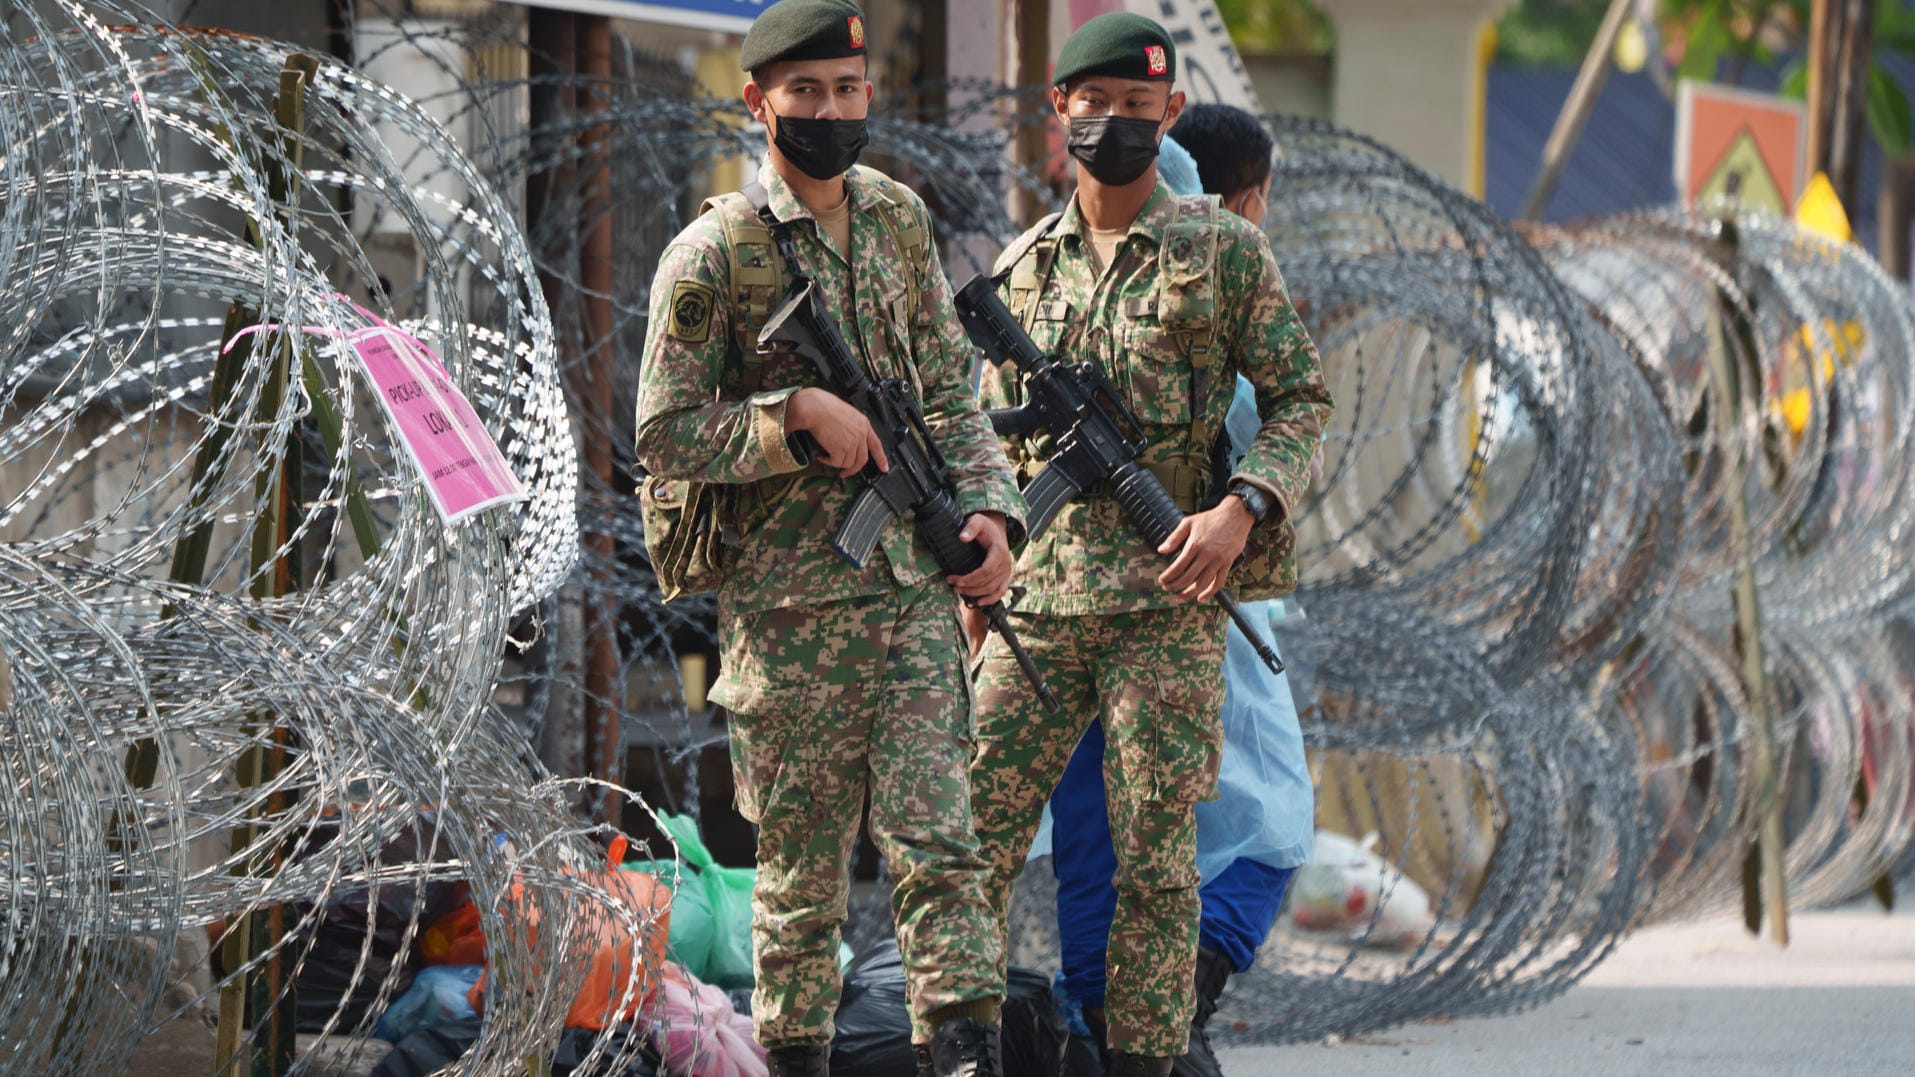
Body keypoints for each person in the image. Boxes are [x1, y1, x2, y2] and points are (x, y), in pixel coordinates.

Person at [633, 4, 1026, 1074]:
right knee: (801, 881)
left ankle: (966, 1056)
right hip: (789, 612)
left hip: (906, 592)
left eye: (848, 92)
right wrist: (794, 418)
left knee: (943, 850)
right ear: (757, 101)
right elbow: (664, 434)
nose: (830, 112)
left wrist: (991, 514)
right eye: (805, 93)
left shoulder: (895, 217)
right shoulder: (713, 253)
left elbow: (948, 390)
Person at [966, 14, 1332, 1077]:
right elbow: (975, 440)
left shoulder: (1224, 251)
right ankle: (953, 1050)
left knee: (1158, 872)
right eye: (1094, 105)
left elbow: (1302, 398)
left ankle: (1146, 1061)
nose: (1113, 125)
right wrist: (976, 574)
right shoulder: (1020, 269)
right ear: (1060, 114)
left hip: (1165, 603)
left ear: (1169, 113)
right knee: (963, 846)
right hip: (1036, 610)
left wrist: (1240, 509)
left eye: (1137, 109)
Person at [1041, 108, 1316, 1077]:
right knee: (1254, 833)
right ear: (1246, 204)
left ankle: (1117, 1020)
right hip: (1161, 620)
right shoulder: (1203, 297)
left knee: (1111, 844)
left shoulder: (1067, 272)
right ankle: (1152, 1010)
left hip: (1076, 617)